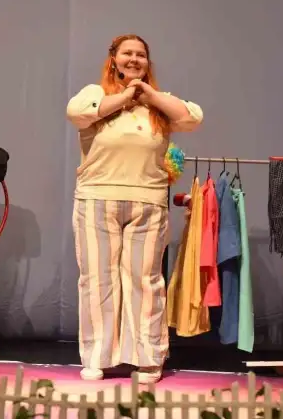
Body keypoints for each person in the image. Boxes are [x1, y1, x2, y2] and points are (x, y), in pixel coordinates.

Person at [66, 34, 203, 383]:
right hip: (97, 198)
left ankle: (148, 358)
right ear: (113, 58)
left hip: (148, 202)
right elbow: (76, 113)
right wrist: (125, 97)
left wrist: (149, 95)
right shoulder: (96, 93)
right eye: (127, 53)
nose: (134, 59)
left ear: (147, 62)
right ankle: (97, 356)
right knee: (98, 279)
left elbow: (191, 118)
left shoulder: (159, 103)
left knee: (145, 281)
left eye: (140, 55)